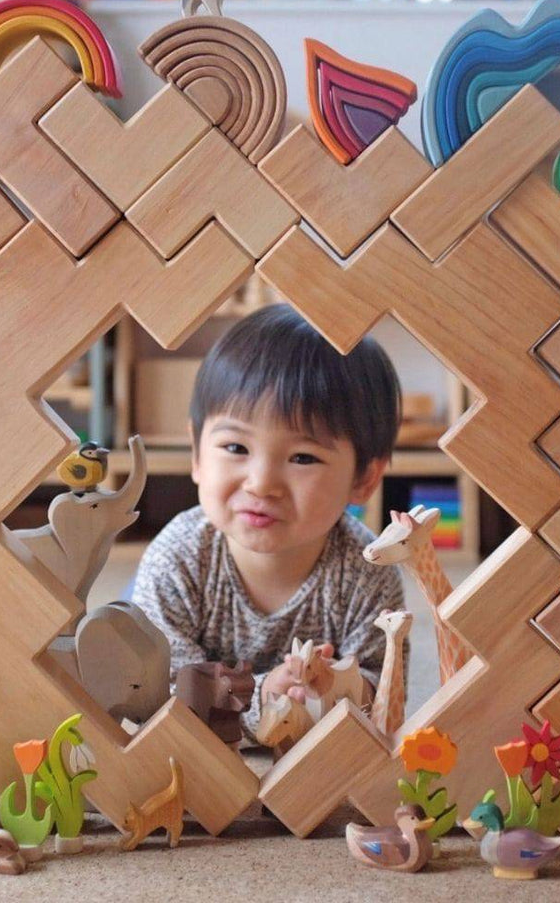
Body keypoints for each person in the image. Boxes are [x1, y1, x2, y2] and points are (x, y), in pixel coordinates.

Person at [132, 303, 407, 737]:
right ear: (197, 453)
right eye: (236, 448)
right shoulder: (178, 560)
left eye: (302, 457)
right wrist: (261, 696)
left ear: (365, 478)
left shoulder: (366, 570)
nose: (261, 484)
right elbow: (156, 693)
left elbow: (385, 686)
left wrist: (336, 687)